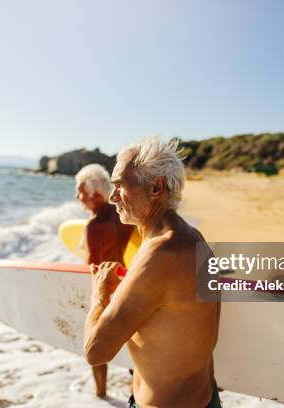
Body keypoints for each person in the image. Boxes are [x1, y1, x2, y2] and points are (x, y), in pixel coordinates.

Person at [84, 137, 221, 408]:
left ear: (156, 187)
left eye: (121, 186)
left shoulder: (161, 254)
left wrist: (99, 294)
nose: (112, 197)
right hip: (206, 399)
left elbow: (95, 351)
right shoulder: (194, 238)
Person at [75, 163, 134, 397]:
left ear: (96, 195)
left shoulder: (93, 227)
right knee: (132, 344)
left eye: (81, 192)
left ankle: (100, 393)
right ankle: (136, 394)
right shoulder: (123, 215)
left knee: (96, 345)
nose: (78, 197)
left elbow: (89, 268)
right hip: (126, 284)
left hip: (104, 289)